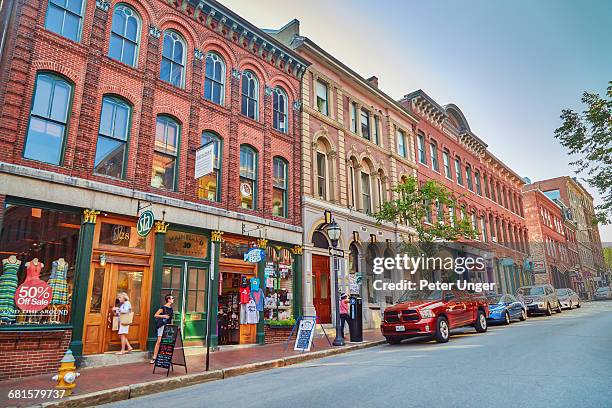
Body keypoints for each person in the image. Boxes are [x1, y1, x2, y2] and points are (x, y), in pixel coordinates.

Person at [151, 294, 175, 363]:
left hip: (168, 327)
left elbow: (171, 318)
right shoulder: (163, 307)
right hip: (162, 326)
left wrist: (172, 326)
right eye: (172, 298)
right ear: (168, 300)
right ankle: (154, 357)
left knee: (166, 342)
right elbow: (155, 315)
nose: (173, 299)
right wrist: (164, 316)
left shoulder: (171, 308)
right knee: (159, 341)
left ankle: (163, 357)